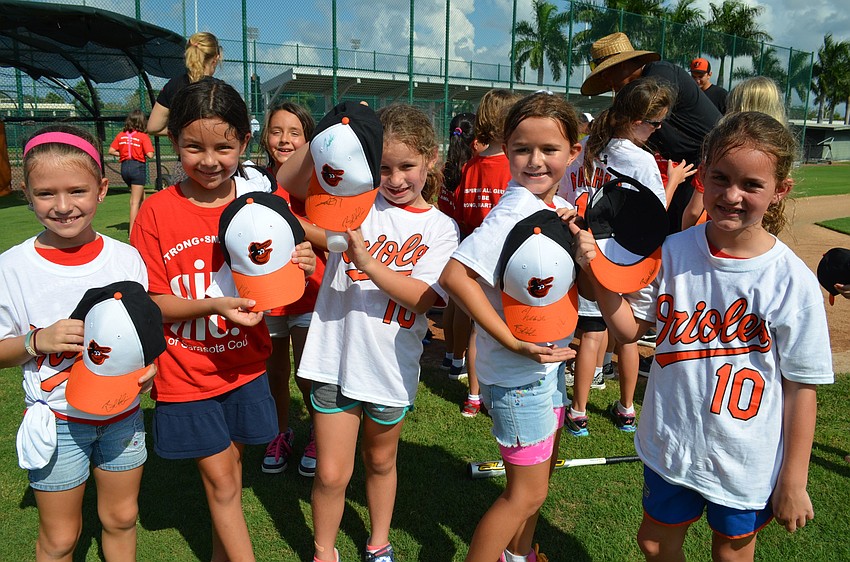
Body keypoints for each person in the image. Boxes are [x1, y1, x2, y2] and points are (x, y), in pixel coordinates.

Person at [571, 111, 834, 561]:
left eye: (751, 184)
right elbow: (630, 329)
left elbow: (800, 386)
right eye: (720, 178)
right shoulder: (674, 252)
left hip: (742, 454)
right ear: (703, 179)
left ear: (779, 192)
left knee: (732, 553)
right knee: (653, 542)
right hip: (672, 440)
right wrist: (595, 270)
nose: (732, 195)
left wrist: (794, 478)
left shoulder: (790, 280)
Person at [131, 79, 316, 562]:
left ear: (244, 143)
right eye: (193, 147)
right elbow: (152, 301)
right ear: (173, 143)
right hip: (186, 374)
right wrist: (212, 306)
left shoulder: (260, 202)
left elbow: (283, 275)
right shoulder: (155, 213)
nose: (209, 160)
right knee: (221, 485)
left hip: (245, 369)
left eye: (223, 146)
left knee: (230, 476)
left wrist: (302, 261)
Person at [277, 102, 458, 562]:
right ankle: (323, 551)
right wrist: (337, 127)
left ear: (431, 159)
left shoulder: (441, 228)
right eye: (383, 167)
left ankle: (378, 542)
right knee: (333, 475)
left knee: (380, 462)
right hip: (334, 359)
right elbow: (292, 183)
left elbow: (423, 298)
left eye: (407, 166)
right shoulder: (352, 200)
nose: (395, 179)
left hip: (389, 369)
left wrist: (368, 263)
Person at [0, 125, 156, 561]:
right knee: (61, 538)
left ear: (103, 189)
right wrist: (36, 340)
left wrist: (149, 371)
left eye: (77, 190)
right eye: (46, 193)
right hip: (58, 421)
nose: (63, 206)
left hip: (122, 415)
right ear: (26, 193)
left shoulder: (125, 258)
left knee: (122, 518)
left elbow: (144, 338)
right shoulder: (12, 268)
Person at [440, 91, 582, 562]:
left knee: (538, 487)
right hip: (520, 378)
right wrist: (510, 340)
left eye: (549, 150)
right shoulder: (512, 213)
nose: (535, 161)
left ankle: (519, 556)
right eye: (522, 149)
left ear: (573, 154)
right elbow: (454, 275)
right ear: (506, 149)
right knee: (524, 494)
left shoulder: (552, 205)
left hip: (545, 372)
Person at [562, 77, 696, 438]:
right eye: (655, 123)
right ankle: (625, 410)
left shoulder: (587, 147)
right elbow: (652, 221)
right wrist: (672, 183)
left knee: (590, 331)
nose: (657, 130)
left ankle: (577, 413)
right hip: (624, 261)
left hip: (583, 253)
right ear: (636, 121)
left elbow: (565, 197)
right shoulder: (641, 160)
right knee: (626, 337)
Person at [581, 32, 721, 233]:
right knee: (667, 218)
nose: (604, 79)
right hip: (683, 161)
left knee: (682, 220)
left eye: (604, 71)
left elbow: (643, 115)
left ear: (621, 64)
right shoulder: (632, 90)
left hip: (708, 156)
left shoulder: (659, 74)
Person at [257, 100, 327, 477]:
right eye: (276, 131)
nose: (284, 140)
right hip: (265, 294)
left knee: (307, 372)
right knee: (273, 372)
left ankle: (320, 432)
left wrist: (290, 220)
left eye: (294, 132)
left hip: (308, 290)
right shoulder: (252, 180)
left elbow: (335, 236)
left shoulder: (319, 181)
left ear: (308, 139)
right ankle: (279, 431)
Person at [452, 89, 522, 418]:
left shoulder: (470, 165)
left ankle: (474, 396)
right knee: (504, 324)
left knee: (478, 327)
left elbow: (464, 212)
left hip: (473, 255)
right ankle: (500, 390)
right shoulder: (511, 167)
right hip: (504, 257)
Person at [682, 76, 787, 231]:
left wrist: (685, 243)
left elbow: (694, 211)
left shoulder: (722, 149)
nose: (732, 196)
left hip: (715, 241)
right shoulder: (781, 151)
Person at [437, 112, 476, 390]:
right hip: (467, 238)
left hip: (449, 237)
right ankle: (459, 361)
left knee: (453, 302)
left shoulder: (447, 166)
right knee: (463, 304)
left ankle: (451, 356)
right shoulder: (471, 169)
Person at [147, 32, 222, 135]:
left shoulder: (172, 86)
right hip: (214, 147)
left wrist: (183, 131)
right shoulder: (222, 89)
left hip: (185, 149)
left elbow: (153, 127)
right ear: (215, 59)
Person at [109, 110, 154, 233]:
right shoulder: (143, 136)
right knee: (134, 202)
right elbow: (150, 154)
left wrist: (123, 153)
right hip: (137, 168)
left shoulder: (120, 135)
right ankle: (133, 232)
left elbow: (111, 150)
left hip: (125, 168)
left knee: (141, 196)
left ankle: (146, 222)